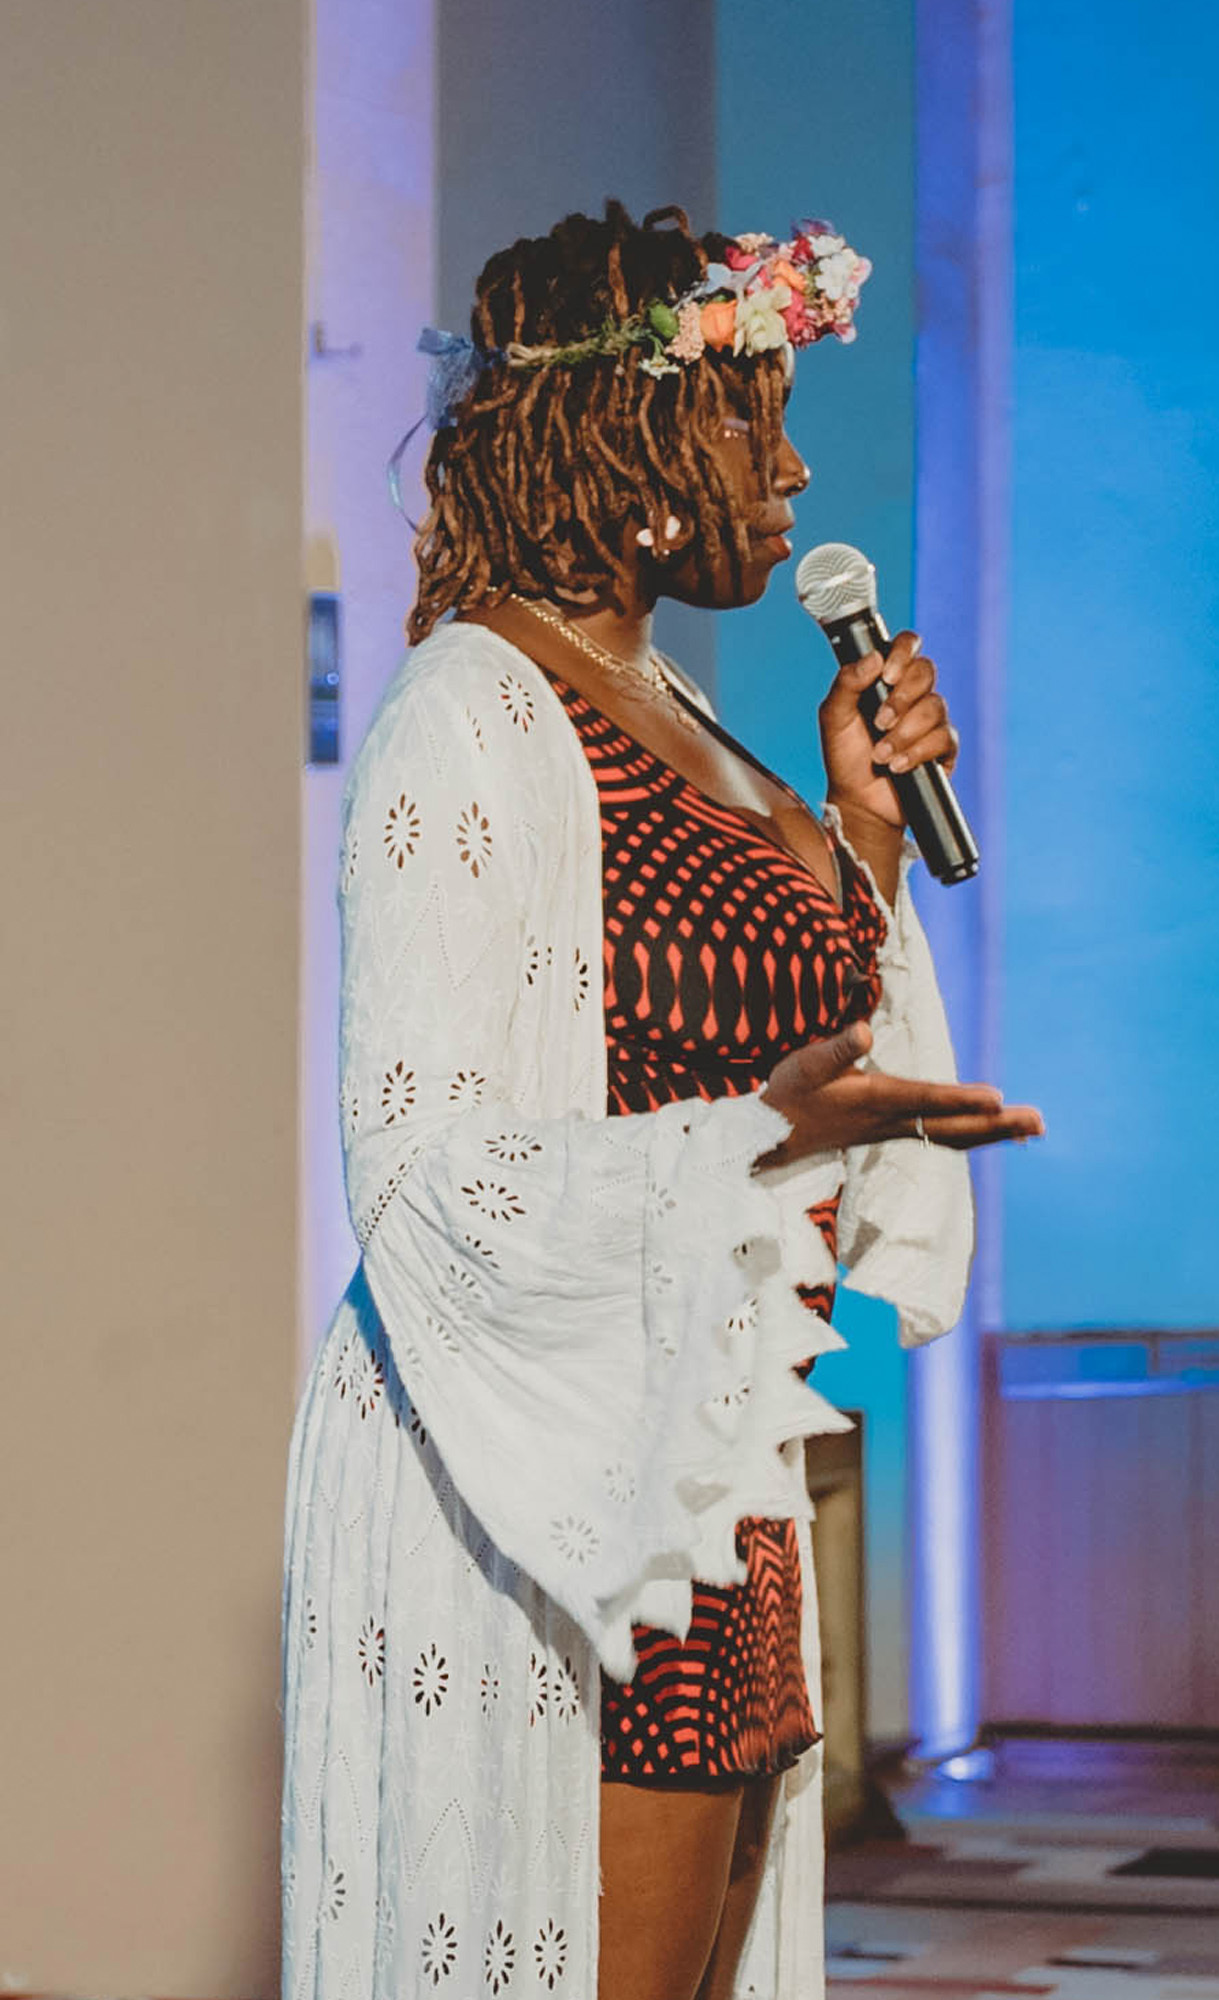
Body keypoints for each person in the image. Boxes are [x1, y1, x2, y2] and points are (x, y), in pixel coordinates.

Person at [282, 201, 1039, 2000]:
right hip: (555, 1492)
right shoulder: (468, 717)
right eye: (749, 422)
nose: (788, 477)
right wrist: (763, 1140)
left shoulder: (667, 703)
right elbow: (426, 1175)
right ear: (625, 442)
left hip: (710, 1463)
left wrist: (858, 827)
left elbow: (786, 1028)